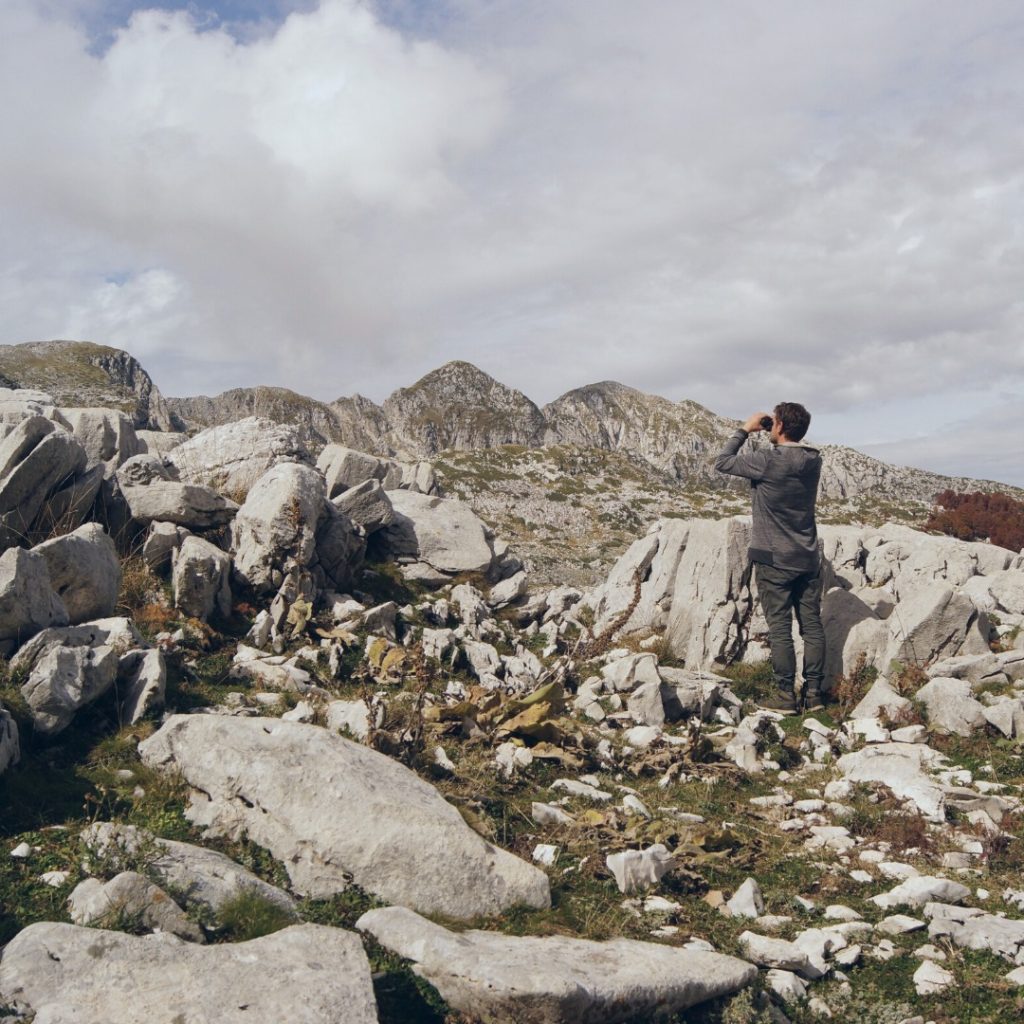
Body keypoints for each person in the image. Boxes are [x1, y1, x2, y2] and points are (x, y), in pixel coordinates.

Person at [714, 403, 825, 714]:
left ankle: (784, 695)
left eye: (774, 422)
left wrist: (746, 430)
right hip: (807, 556)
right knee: (812, 625)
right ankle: (815, 694)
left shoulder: (766, 460)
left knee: (779, 627)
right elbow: (788, 455)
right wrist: (773, 434)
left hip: (773, 558)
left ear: (778, 426)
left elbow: (722, 462)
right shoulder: (813, 461)